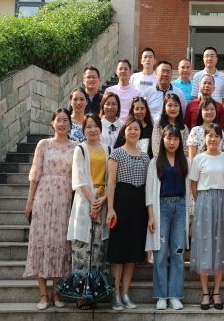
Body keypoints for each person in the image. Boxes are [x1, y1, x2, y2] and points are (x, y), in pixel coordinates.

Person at [24, 109, 77, 310]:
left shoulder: (76, 147)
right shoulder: (43, 144)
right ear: (52, 123)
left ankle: (56, 293)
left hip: (65, 199)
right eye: (58, 120)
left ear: (70, 124)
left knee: (60, 244)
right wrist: (30, 201)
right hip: (43, 197)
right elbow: (35, 173)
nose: (62, 124)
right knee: (41, 241)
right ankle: (43, 294)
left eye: (65, 120)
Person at [106, 117, 151, 311]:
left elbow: (148, 186)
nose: (133, 132)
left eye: (136, 129)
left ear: (140, 133)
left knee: (133, 251)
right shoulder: (116, 153)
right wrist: (110, 208)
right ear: (124, 132)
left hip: (139, 206)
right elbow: (111, 182)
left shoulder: (146, 157)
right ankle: (115, 294)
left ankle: (125, 292)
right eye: (130, 129)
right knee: (119, 251)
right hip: (121, 203)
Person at [67, 113, 111, 310]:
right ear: (83, 129)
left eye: (95, 126)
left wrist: (103, 200)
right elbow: (79, 178)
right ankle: (80, 295)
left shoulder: (108, 149)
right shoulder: (80, 149)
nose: (92, 130)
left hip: (102, 201)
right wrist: (93, 201)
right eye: (88, 126)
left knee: (98, 249)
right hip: (85, 201)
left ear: (100, 128)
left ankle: (93, 293)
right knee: (83, 248)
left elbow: (111, 179)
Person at [145, 124, 190, 311]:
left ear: (180, 141)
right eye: (169, 138)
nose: (172, 142)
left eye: (175, 139)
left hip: (180, 207)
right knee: (161, 252)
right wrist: (151, 216)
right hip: (161, 208)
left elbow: (189, 191)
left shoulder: (185, 162)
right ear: (162, 140)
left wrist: (190, 216)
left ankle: (175, 295)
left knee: (178, 253)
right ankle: (161, 295)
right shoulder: (155, 162)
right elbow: (149, 191)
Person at [189, 123, 224, 311]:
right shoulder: (198, 158)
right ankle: (205, 292)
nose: (213, 139)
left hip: (222, 202)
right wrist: (201, 202)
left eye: (216, 136)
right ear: (204, 138)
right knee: (204, 246)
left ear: (221, 139)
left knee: (220, 245)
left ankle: (217, 292)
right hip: (204, 201)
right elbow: (193, 184)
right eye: (210, 135)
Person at [187, 97, 224, 162]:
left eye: (212, 109)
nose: (209, 112)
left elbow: (223, 153)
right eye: (206, 109)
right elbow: (192, 159)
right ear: (200, 112)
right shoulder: (195, 131)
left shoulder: (220, 131)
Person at [152, 94, 189, 158]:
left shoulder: (184, 127)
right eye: (170, 105)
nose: (173, 109)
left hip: (180, 161)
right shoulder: (158, 126)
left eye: (176, 105)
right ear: (164, 108)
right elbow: (156, 150)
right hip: (161, 161)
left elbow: (186, 150)